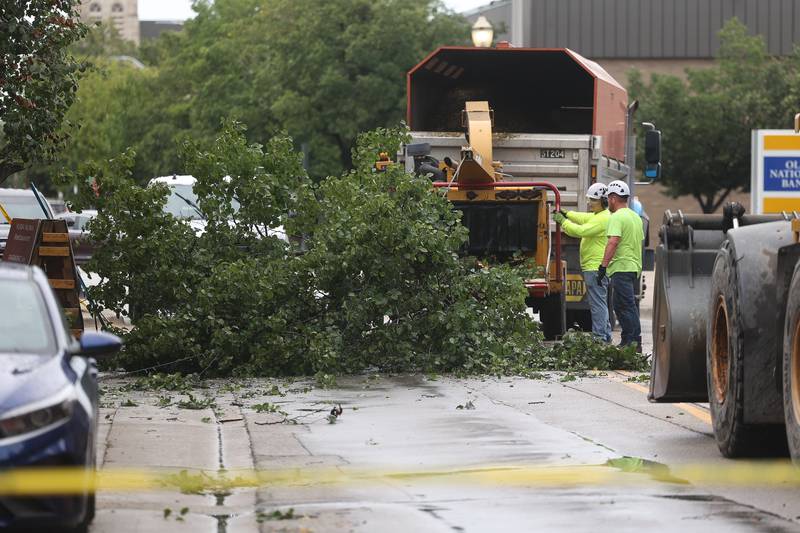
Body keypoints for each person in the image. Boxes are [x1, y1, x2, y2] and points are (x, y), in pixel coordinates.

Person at [552, 183, 611, 342]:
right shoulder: (599, 215)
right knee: (601, 303)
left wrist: (562, 222)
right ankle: (605, 336)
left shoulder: (602, 219)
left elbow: (580, 231)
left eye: (593, 200)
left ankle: (600, 338)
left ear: (604, 201)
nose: (590, 202)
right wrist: (567, 214)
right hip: (594, 268)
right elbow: (583, 217)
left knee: (597, 305)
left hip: (595, 268)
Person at [597, 180, 644, 349]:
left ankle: (633, 342)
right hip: (632, 267)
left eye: (609, 198)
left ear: (613, 198)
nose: (608, 202)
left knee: (625, 305)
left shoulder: (616, 217)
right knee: (621, 304)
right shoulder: (635, 217)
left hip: (622, 266)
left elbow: (613, 242)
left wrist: (603, 266)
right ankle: (628, 339)